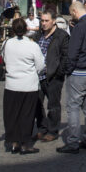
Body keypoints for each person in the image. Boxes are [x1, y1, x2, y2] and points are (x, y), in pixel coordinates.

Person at [57, 1, 86, 154]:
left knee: (73, 107)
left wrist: (68, 70)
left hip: (79, 72)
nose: (72, 16)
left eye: (72, 14)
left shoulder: (79, 27)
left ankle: (73, 142)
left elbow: (73, 52)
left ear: (75, 11)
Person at [2, 18, 45, 155]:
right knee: (27, 115)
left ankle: (14, 142)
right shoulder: (32, 46)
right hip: (28, 85)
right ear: (26, 29)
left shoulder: (7, 43)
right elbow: (41, 65)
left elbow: (4, 59)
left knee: (12, 115)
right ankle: (25, 144)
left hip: (12, 84)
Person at [34, 11, 69, 143]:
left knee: (53, 104)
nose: (43, 23)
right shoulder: (39, 35)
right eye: (42, 20)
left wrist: (59, 72)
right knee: (36, 103)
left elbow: (65, 56)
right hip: (38, 76)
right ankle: (42, 128)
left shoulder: (61, 36)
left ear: (53, 21)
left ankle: (53, 131)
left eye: (46, 20)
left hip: (53, 76)